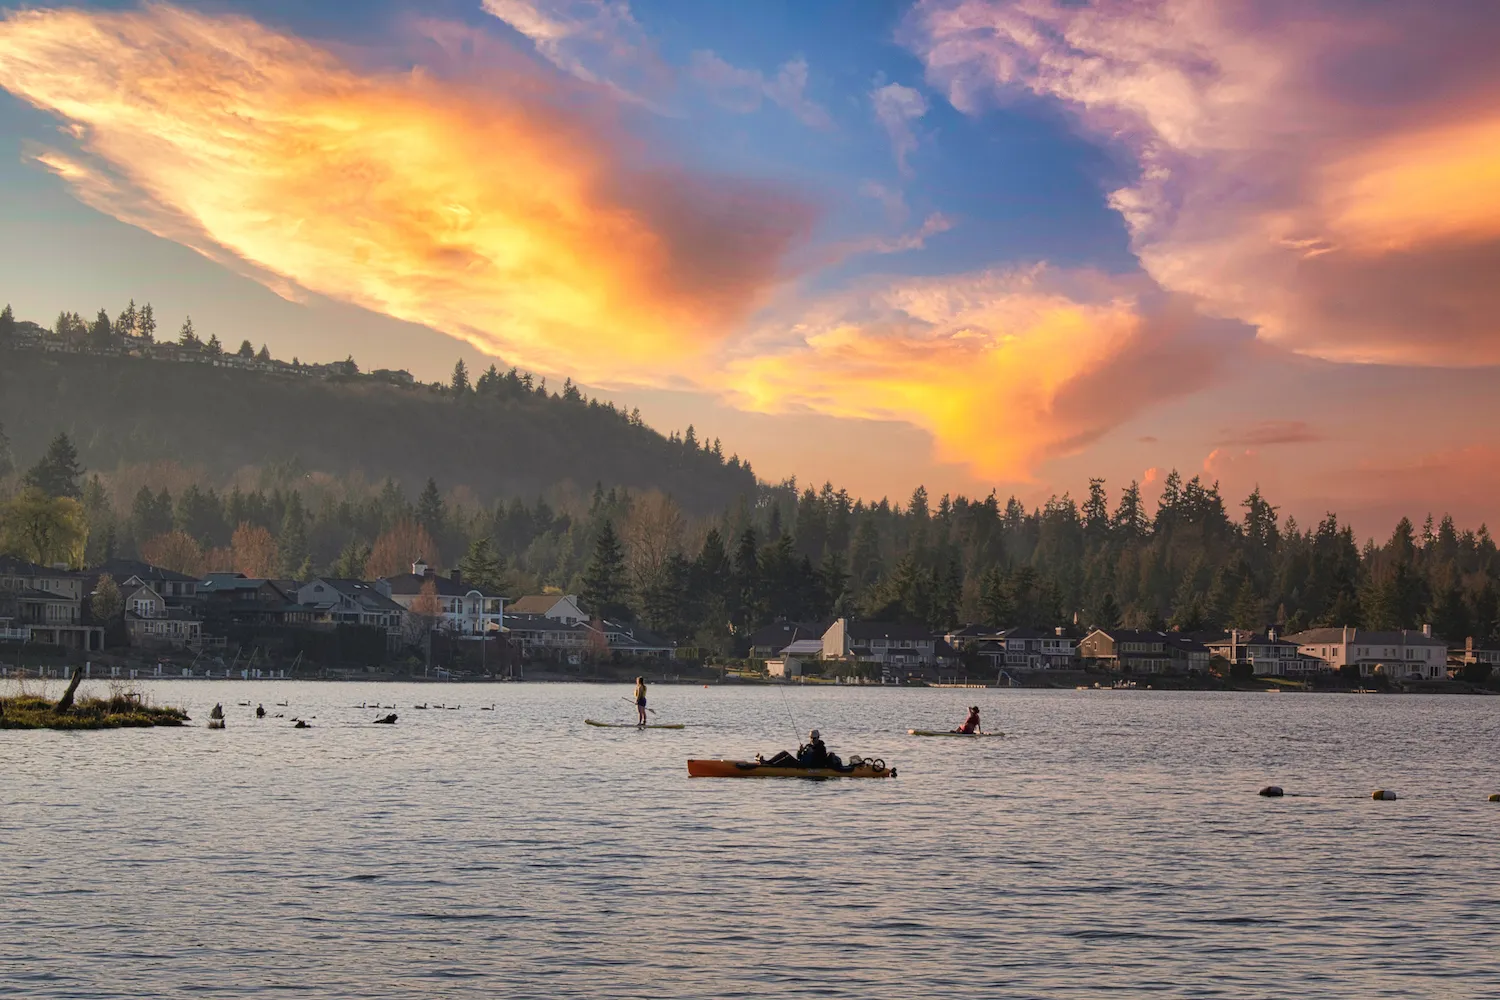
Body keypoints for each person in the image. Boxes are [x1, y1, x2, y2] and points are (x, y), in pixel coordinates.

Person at [760, 729, 840, 768]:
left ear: (818, 737)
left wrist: (813, 752)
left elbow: (821, 761)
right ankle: (768, 762)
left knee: (788, 758)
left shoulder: (821, 748)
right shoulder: (808, 745)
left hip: (808, 766)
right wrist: (800, 751)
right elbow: (799, 757)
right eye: (811, 738)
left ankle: (772, 766)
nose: (812, 740)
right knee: (784, 752)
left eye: (814, 738)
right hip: (801, 763)